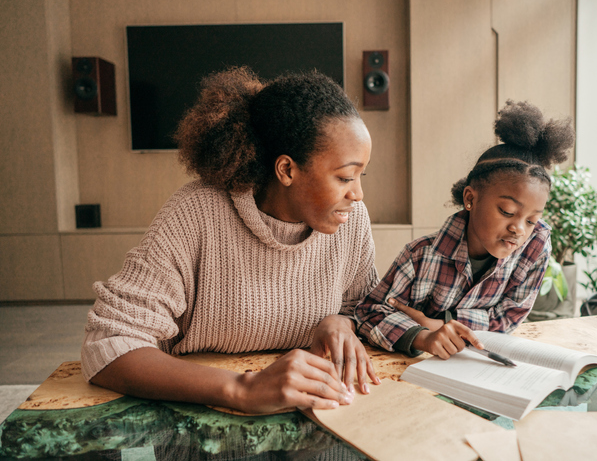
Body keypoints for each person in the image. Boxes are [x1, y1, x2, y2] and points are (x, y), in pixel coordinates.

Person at [81, 66, 382, 414]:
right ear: (286, 170)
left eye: (361, 175)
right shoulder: (196, 213)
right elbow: (107, 345)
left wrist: (339, 321)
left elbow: (366, 310)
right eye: (345, 176)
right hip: (193, 420)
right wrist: (242, 389)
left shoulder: (351, 221)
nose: (358, 194)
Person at [355, 100, 575, 359]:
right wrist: (422, 336)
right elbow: (368, 313)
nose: (519, 229)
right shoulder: (420, 255)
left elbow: (509, 318)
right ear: (470, 198)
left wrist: (440, 323)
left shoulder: (535, 245)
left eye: (531, 220)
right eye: (506, 211)